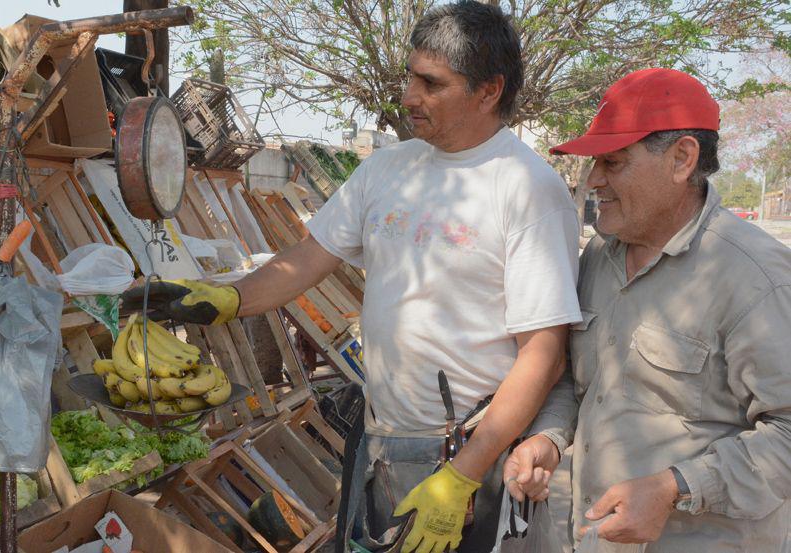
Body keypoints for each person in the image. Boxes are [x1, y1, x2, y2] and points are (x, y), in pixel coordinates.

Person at [125, 2, 582, 551]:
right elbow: (308, 258)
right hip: (380, 437)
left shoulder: (527, 188)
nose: (409, 96)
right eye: (410, 77)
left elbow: (544, 353)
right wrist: (227, 297)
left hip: (466, 453)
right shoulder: (386, 169)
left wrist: (465, 474)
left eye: (431, 84)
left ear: (488, 92)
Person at [503, 68, 791, 551]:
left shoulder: (756, 279)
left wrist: (674, 487)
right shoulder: (601, 254)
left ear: (682, 159)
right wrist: (549, 439)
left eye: (613, 163)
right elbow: (581, 381)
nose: (593, 180)